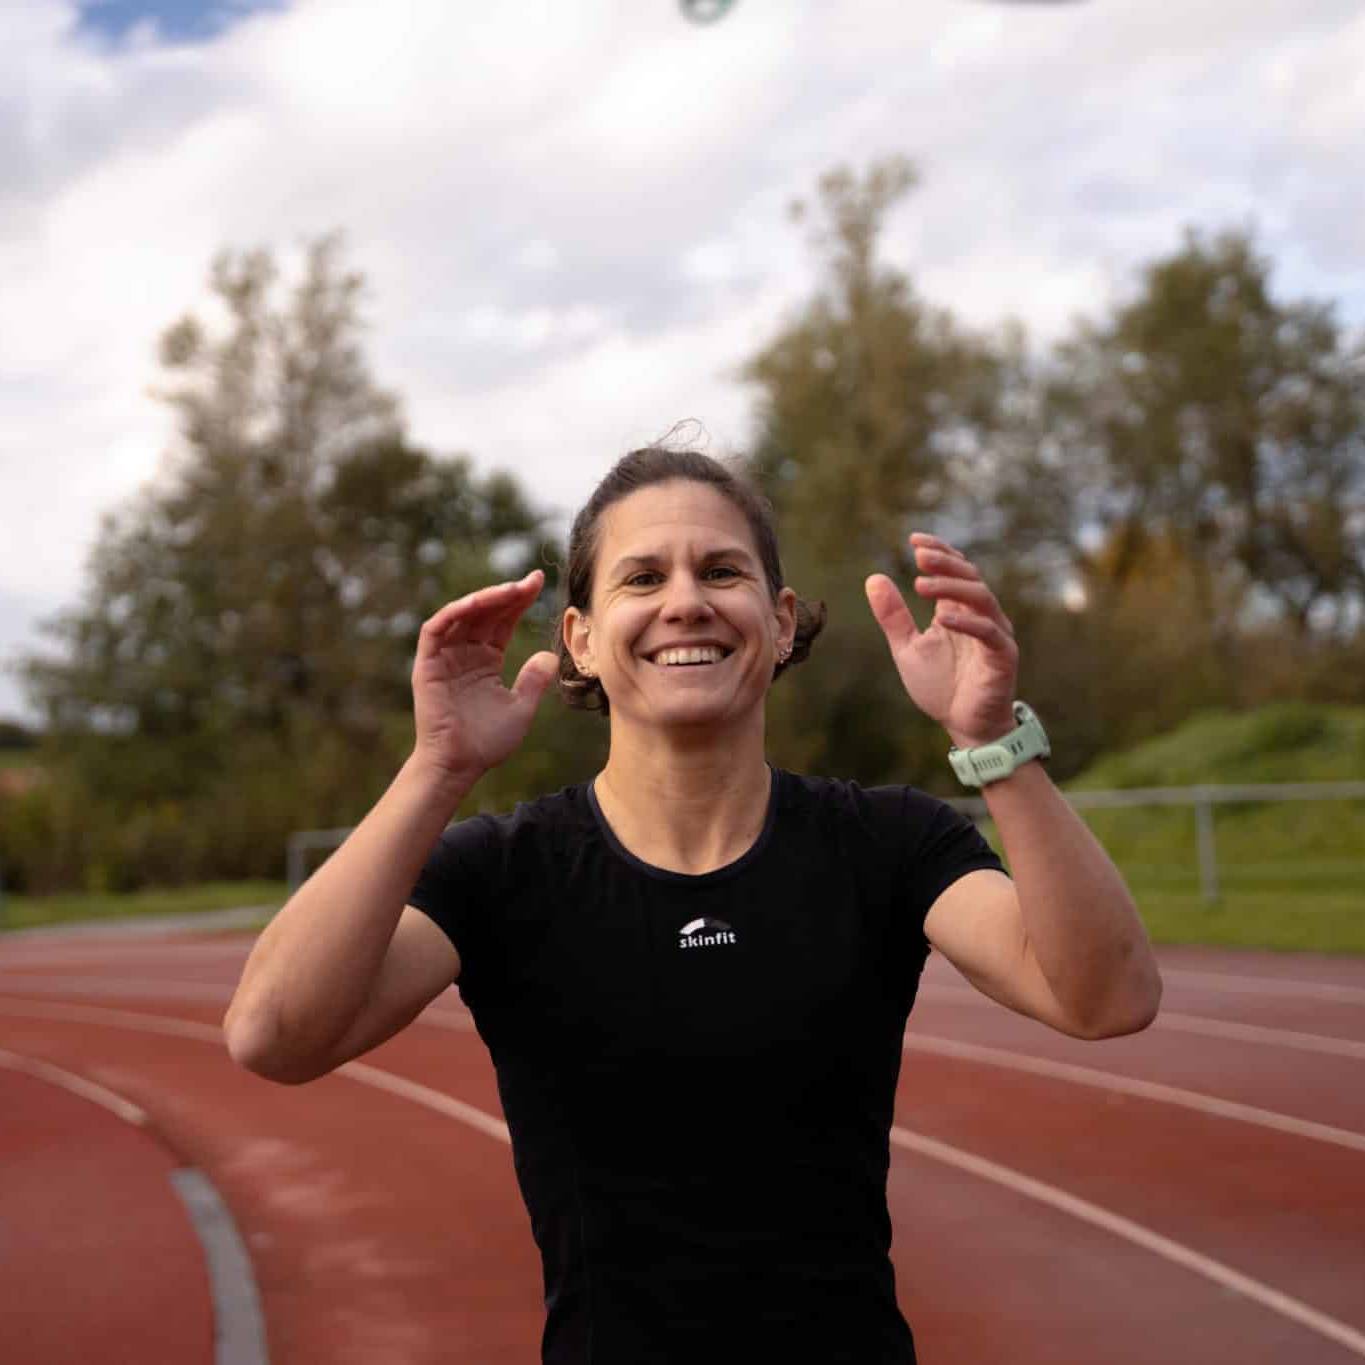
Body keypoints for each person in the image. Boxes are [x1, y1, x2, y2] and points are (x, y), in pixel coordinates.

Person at [224, 444, 1162, 1364]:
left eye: (721, 569)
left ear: (780, 618)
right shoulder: (504, 871)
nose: (685, 601)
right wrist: (439, 766)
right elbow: (275, 1033)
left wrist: (992, 739)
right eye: (641, 577)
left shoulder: (887, 843)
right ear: (580, 637)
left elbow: (1105, 997)